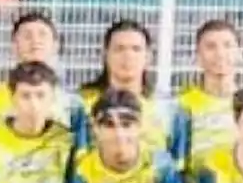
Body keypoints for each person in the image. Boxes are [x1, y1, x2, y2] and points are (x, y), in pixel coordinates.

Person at [78, 19, 187, 165]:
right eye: (119, 49)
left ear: (148, 57)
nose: (128, 56)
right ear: (105, 55)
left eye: (136, 49)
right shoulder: (80, 105)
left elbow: (177, 167)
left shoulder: (169, 109)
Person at [0, 11, 88, 146]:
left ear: (55, 46)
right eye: (27, 36)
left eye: (42, 35)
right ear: (14, 46)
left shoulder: (73, 104)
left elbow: (81, 150)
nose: (35, 41)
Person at [178, 18, 242, 177]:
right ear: (198, 56)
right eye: (211, 47)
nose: (220, 54)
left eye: (227, 45)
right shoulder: (183, 105)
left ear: (239, 54)